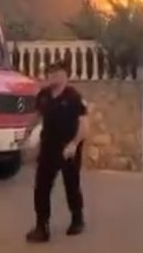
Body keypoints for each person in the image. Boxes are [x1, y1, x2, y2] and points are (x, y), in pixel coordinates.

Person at [20, 60, 90, 243]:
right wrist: (26, 134)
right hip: (48, 145)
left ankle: (77, 219)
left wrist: (74, 144)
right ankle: (41, 227)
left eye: (57, 73)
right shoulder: (43, 96)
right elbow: (36, 117)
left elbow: (84, 125)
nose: (52, 76)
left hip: (68, 147)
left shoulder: (74, 97)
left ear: (65, 76)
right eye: (50, 73)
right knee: (41, 186)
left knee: (71, 184)